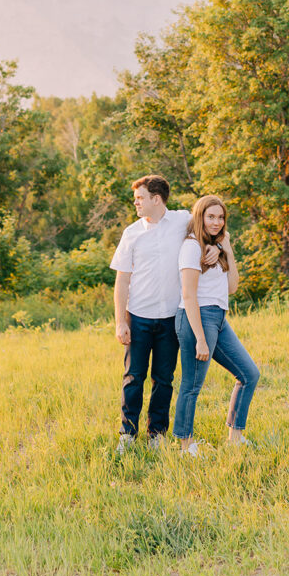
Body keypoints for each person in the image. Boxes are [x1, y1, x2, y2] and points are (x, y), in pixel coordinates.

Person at [111, 174, 219, 452]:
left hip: (173, 317)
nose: (135, 203)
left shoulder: (183, 221)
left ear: (156, 199)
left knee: (164, 378)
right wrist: (120, 321)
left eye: (140, 198)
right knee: (134, 376)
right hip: (139, 317)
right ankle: (128, 433)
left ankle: (156, 434)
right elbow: (122, 280)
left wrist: (217, 247)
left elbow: (215, 227)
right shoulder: (131, 233)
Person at [173, 194, 260, 455]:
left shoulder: (218, 248)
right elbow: (188, 295)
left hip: (219, 318)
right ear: (200, 217)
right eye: (210, 216)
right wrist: (199, 337)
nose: (216, 222)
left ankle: (235, 437)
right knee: (192, 385)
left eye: (221, 217)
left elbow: (232, 287)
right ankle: (185, 445)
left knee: (249, 374)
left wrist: (227, 249)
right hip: (196, 318)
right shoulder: (192, 246)